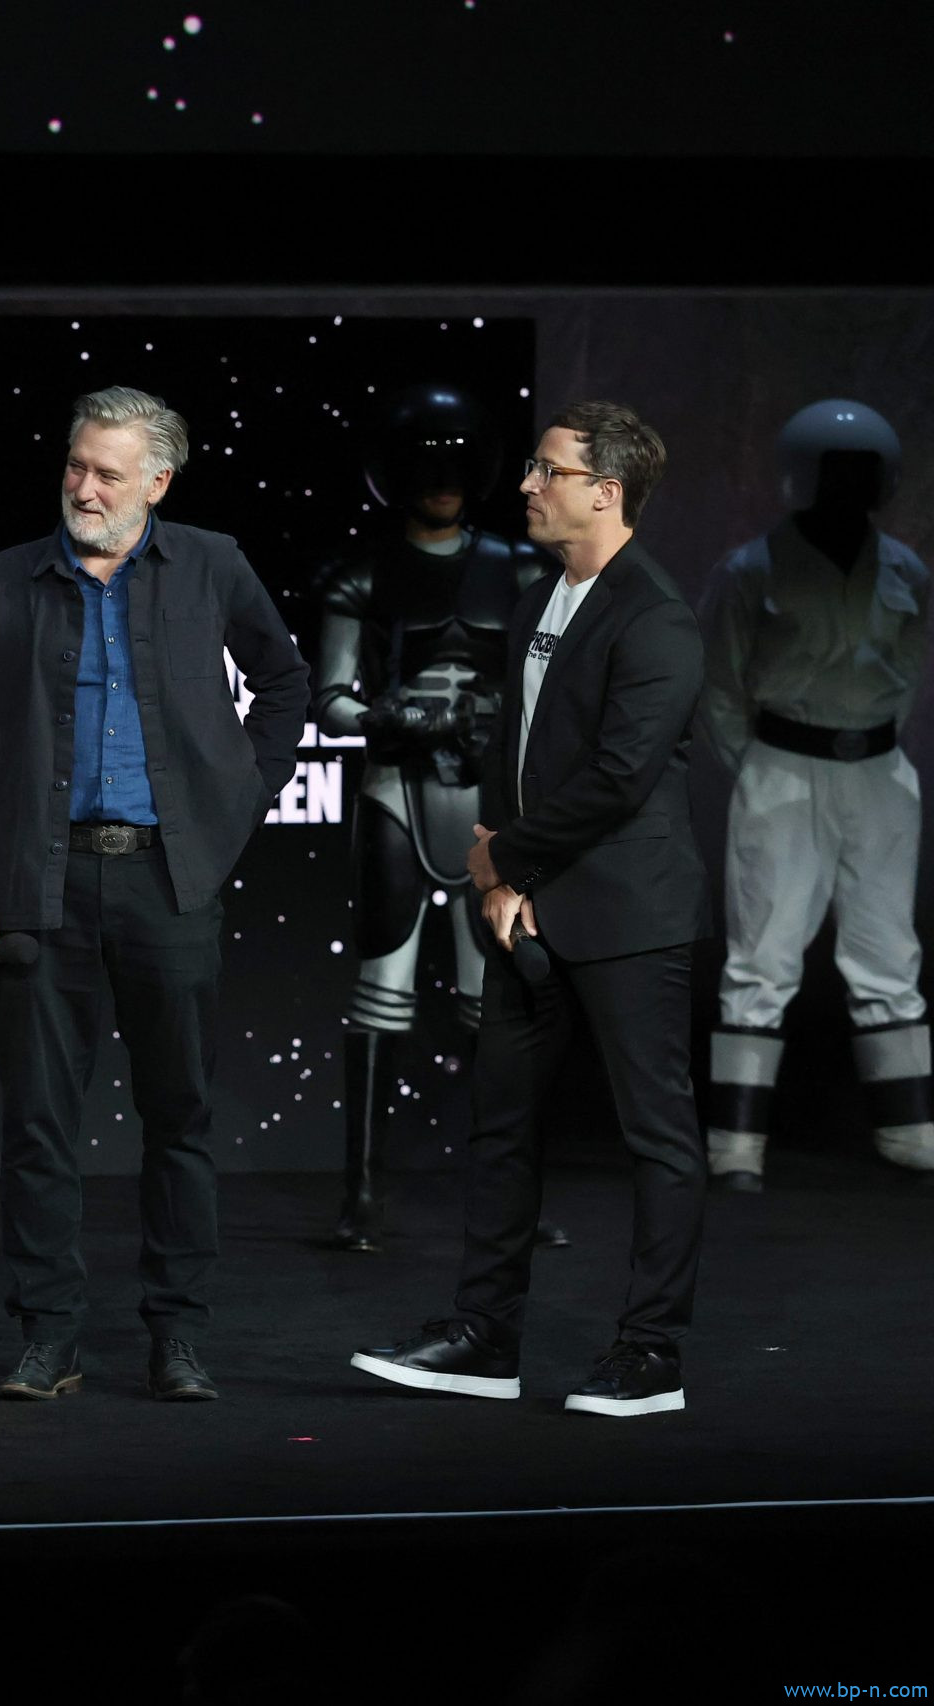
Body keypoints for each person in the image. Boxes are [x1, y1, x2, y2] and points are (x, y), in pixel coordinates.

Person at [0, 385, 310, 1404]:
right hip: (39, 886)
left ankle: (177, 1334)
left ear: (157, 481)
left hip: (165, 879)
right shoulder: (9, 579)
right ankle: (47, 1336)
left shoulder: (210, 563)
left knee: (179, 1116)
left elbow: (284, 683)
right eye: (74, 464)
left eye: (107, 471)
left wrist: (238, 796)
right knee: (38, 1124)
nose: (84, 486)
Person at [353, 400, 708, 1418]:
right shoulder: (538, 597)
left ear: (605, 490)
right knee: (502, 1128)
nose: (525, 485)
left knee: (657, 1138)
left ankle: (651, 1353)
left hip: (627, 914)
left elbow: (619, 776)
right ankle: (483, 1335)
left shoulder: (655, 615)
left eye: (547, 471)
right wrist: (504, 882)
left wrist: (503, 853)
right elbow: (519, 753)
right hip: (524, 909)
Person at [310, 384, 565, 1252]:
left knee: (491, 998)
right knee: (381, 992)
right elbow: (334, 702)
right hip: (397, 792)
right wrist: (408, 718)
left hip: (491, 805)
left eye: (457, 466)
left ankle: (509, 1199)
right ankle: (363, 1195)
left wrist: (496, 726)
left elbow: (548, 686)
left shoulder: (525, 568)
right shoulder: (363, 573)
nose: (442, 482)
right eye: (427, 467)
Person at [703, 399, 934, 1188]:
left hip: (877, 771)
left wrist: (869, 747)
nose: (850, 488)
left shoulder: (906, 571)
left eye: (862, 474)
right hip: (782, 767)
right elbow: (721, 686)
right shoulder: (751, 570)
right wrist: (763, 765)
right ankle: (736, 1146)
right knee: (763, 953)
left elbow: (909, 678)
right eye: (836, 473)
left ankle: (910, 1131)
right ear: (804, 477)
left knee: (887, 951)